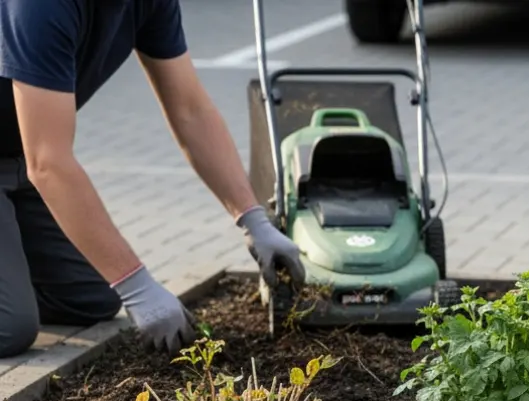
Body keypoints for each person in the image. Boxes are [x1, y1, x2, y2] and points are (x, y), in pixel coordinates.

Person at [0, 0, 305, 358]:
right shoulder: (41, 7)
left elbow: (190, 110)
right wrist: (137, 286)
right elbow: (50, 164)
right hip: (34, 161)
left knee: (89, 300)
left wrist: (253, 220)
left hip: (18, 161)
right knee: (11, 326)